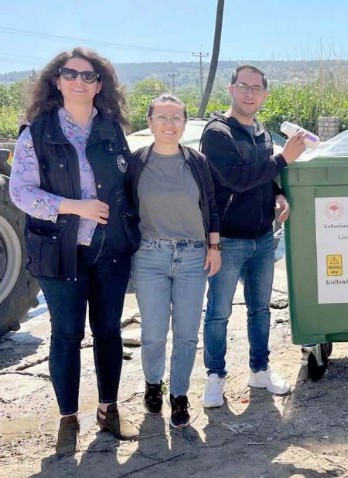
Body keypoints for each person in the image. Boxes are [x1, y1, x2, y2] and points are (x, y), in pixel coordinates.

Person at [9, 47, 140, 456]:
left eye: (88, 76)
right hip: (58, 250)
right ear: (58, 80)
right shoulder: (37, 132)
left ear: (100, 85)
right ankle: (68, 417)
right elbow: (20, 192)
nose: (79, 82)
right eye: (71, 74)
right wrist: (73, 206)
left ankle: (108, 409)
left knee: (109, 332)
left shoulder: (113, 130)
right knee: (66, 335)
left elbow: (128, 184)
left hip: (109, 248)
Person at [200, 64, 307, 408]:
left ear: (264, 95)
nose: (249, 93)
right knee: (218, 312)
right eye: (243, 86)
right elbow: (236, 179)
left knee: (260, 309)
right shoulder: (218, 133)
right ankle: (215, 376)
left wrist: (277, 193)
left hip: (262, 237)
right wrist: (283, 159)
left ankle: (259, 371)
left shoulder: (260, 130)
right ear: (231, 89)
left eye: (256, 88)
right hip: (228, 239)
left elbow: (262, 177)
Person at [127, 94, 221, 428]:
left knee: (186, 334)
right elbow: (125, 208)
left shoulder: (196, 161)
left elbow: (210, 204)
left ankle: (179, 395)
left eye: (177, 117)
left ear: (185, 123)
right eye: (162, 117)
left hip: (193, 257)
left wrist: (214, 246)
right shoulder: (137, 162)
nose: (170, 124)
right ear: (150, 121)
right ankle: (154, 384)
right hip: (149, 256)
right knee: (153, 333)